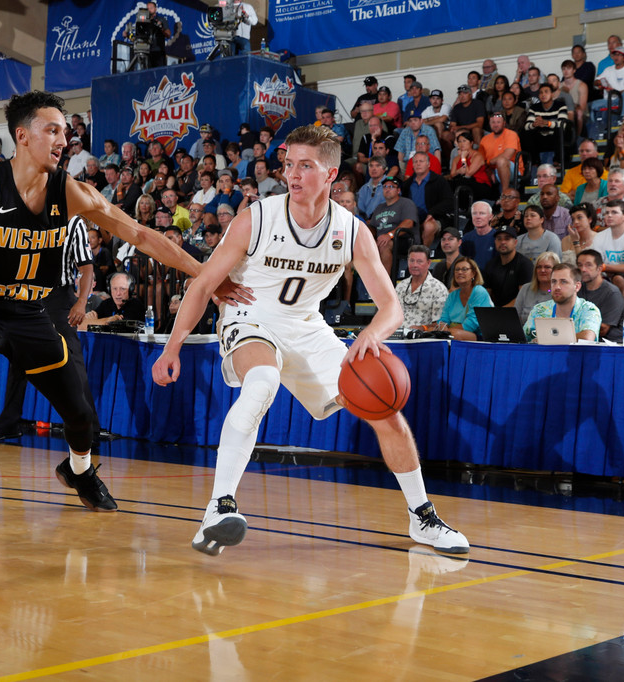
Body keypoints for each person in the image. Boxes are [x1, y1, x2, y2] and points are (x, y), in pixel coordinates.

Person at [0, 91, 244, 560]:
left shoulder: (71, 191)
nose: (64, 139)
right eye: (53, 130)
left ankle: (80, 469)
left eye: (66, 132)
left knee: (81, 413)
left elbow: (143, 235)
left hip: (30, 313)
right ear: (22, 136)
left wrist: (207, 277)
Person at [151, 125, 468, 557]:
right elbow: (203, 284)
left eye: (305, 165)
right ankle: (218, 508)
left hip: (307, 324)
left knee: (384, 408)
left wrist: (372, 334)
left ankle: (423, 518)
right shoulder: (256, 218)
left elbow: (390, 307)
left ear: (331, 174)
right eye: (288, 165)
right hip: (250, 315)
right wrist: (173, 346)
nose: (293, 174)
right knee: (261, 383)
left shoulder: (351, 231)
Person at [0, 215, 98, 442]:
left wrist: (81, 301)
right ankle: (9, 423)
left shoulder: (73, 222)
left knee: (72, 360)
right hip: (28, 293)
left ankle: (88, 428)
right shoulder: (26, 215)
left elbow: (86, 266)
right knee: (19, 359)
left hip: (59, 296)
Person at [523, 264, 602, 342]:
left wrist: (547, 339)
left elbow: (587, 337)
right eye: (554, 281)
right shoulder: (540, 309)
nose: (557, 287)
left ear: (577, 286)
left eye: (563, 282)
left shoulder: (589, 309)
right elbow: (522, 338)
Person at [437, 256, 493, 341]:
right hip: (453, 333)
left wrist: (447, 332)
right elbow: (444, 319)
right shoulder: (452, 295)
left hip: (481, 336)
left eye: (464, 269)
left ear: (473, 273)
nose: (460, 272)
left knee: (455, 335)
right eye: (457, 269)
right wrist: (441, 328)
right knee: (431, 331)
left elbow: (471, 324)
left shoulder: (479, 292)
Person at [576, 249, 624, 342]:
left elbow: (603, 329)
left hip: (610, 344)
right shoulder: (577, 289)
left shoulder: (612, 293)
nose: (583, 269)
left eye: (588, 265)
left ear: (599, 269)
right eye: (580, 265)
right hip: (583, 341)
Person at [396, 245, 448, 328]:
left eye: (419, 261)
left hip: (423, 337)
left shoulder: (438, 289)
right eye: (412, 261)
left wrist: (421, 328)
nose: (414, 265)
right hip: (397, 335)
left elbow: (439, 324)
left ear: (428, 263)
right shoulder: (400, 286)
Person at [483, 225, 533, 308]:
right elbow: (487, 294)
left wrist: (501, 311)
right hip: (494, 312)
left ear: (515, 242)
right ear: (495, 242)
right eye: (499, 239)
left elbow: (523, 297)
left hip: (519, 313)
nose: (503, 242)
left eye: (507, 239)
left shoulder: (525, 264)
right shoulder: (490, 264)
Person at [514, 251, 559, 324]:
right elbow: (515, 317)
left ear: (556, 270)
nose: (542, 270)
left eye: (547, 267)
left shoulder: (560, 292)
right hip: (523, 334)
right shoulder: (526, 288)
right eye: (539, 267)